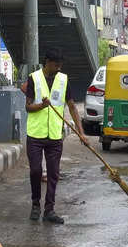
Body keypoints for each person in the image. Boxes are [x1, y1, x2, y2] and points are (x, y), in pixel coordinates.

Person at [24, 47, 88, 224]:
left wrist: (81, 133)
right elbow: (28, 106)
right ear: (47, 62)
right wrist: (41, 106)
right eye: (55, 65)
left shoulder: (63, 80)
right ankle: (35, 204)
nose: (58, 68)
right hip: (35, 135)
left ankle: (49, 210)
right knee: (36, 171)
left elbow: (72, 106)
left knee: (53, 173)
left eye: (60, 65)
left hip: (54, 135)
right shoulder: (34, 78)